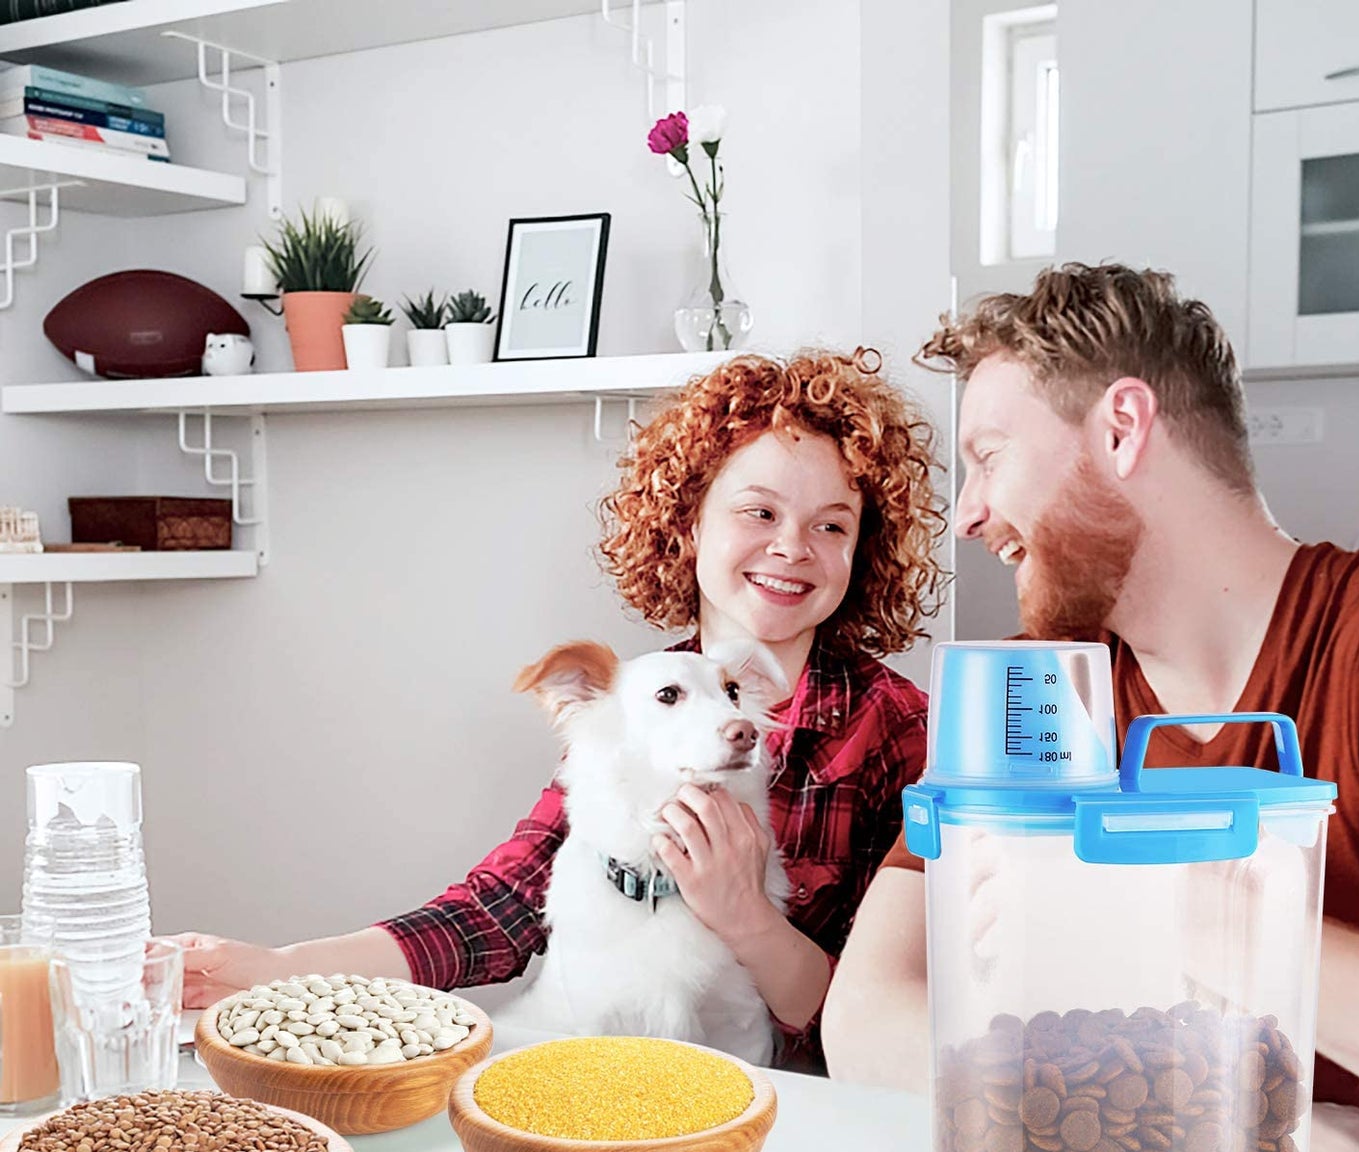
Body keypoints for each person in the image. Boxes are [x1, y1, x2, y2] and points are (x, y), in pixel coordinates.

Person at [821, 263, 1359, 1152]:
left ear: (1120, 428)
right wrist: (1238, 1130)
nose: (966, 516)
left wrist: (1162, 907)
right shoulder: (1034, 692)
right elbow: (866, 1017)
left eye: (989, 457)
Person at [178, 349, 948, 1074]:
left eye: (831, 524)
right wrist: (283, 970)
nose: (792, 547)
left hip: (806, 1110)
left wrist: (746, 915)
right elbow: (503, 907)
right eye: (758, 512)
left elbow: (889, 1017)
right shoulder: (625, 709)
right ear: (688, 524)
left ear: (863, 550)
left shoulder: (900, 729)